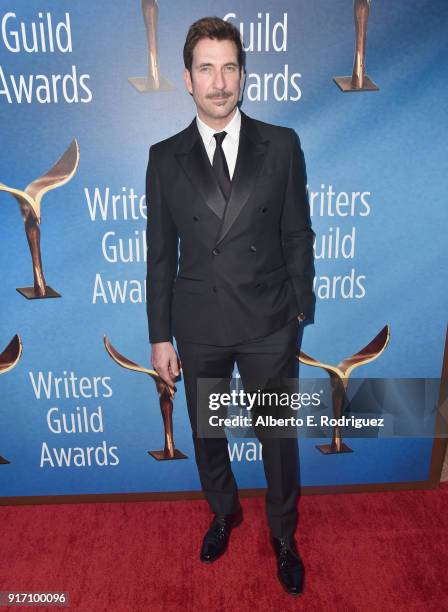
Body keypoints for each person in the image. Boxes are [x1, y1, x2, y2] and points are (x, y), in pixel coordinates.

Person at [145, 16, 315, 596]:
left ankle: (284, 534)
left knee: (276, 439)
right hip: (200, 324)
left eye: (229, 67)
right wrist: (159, 335)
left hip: (269, 322)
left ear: (243, 74)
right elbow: (159, 256)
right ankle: (224, 512)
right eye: (206, 68)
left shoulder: (282, 144)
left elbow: (298, 235)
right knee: (207, 433)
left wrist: (298, 313)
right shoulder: (164, 158)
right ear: (187, 80)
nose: (219, 82)